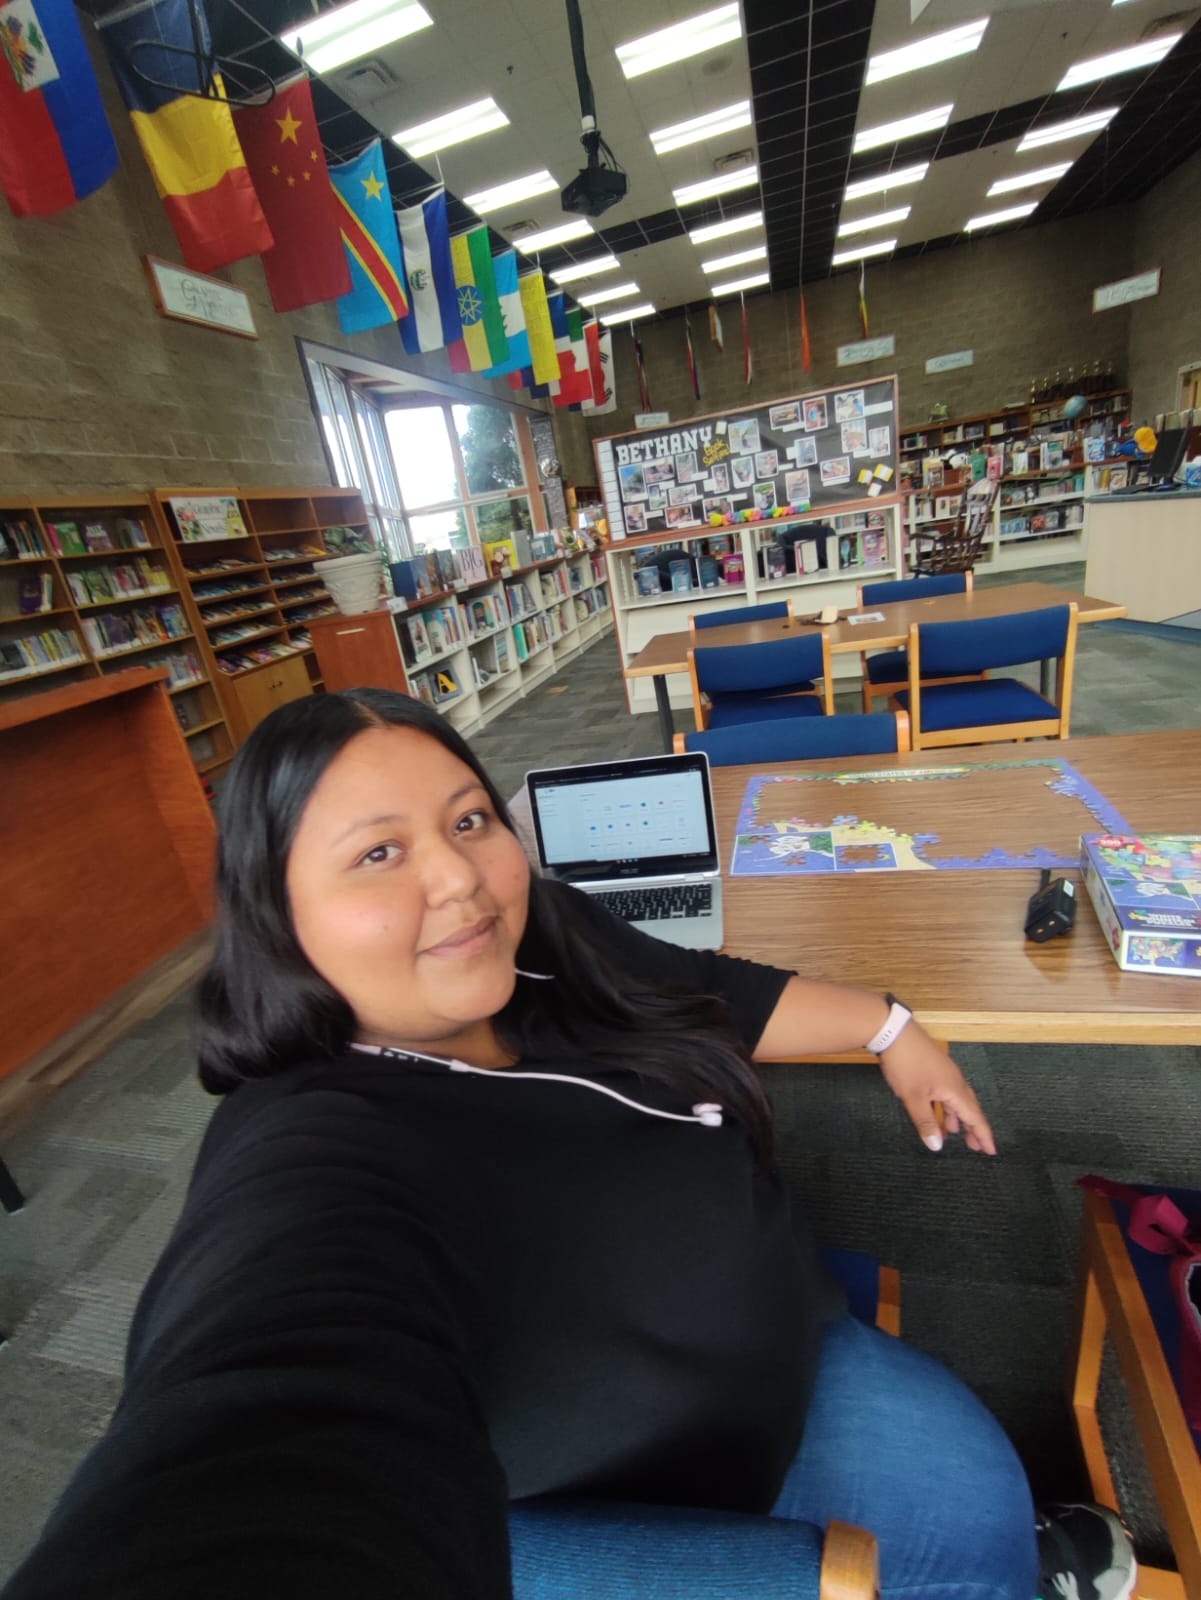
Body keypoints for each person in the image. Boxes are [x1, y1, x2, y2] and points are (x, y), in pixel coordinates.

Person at [4, 689, 1134, 1600]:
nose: (458, 879)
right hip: (689, 1471)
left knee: (981, 1502)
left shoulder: (536, 928)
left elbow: (704, 983)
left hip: (803, 1332)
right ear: (276, 911)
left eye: (467, 819)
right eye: (377, 855)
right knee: (965, 1553)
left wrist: (893, 1029)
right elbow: (262, 1408)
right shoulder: (311, 1140)